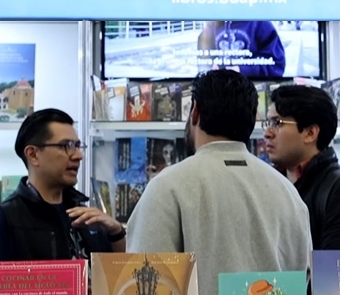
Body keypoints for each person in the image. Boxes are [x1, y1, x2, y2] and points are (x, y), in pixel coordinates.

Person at [126, 70, 312, 295]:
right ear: (252, 119)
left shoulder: (167, 187)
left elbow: (146, 285)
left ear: (194, 112)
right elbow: (302, 278)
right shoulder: (288, 192)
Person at [0, 108, 125, 261]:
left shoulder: (83, 216)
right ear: (33, 155)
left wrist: (116, 232)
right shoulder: (4, 218)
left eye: (77, 146)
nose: (78, 155)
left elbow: (113, 279)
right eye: (66, 146)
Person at [264, 85, 340, 250]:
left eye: (277, 123)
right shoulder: (268, 184)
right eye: (268, 123)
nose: (267, 133)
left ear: (310, 133)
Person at [197, 21, 286, 77]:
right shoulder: (211, 26)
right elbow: (203, 65)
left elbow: (277, 66)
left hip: (250, 94)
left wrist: (242, 70)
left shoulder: (261, 23)